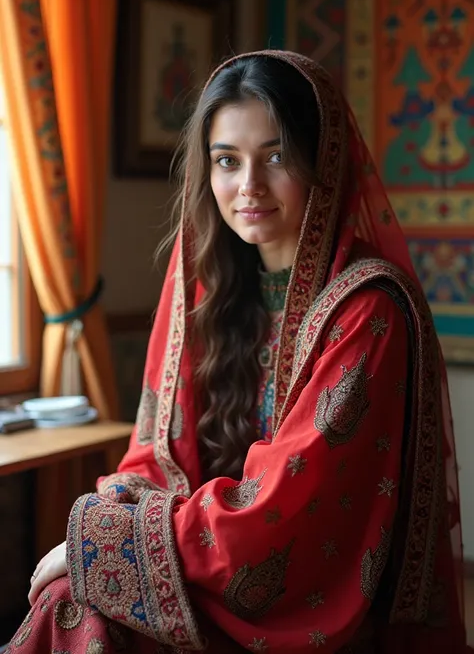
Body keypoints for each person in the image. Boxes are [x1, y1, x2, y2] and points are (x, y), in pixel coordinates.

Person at [8, 50, 470, 653]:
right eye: (227, 161)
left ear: (323, 164)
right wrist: (113, 517)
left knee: (82, 592)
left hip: (296, 593)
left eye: (276, 157)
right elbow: (155, 455)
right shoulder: (207, 287)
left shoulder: (368, 308)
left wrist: (101, 544)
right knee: (73, 604)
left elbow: (289, 508)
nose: (248, 186)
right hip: (205, 563)